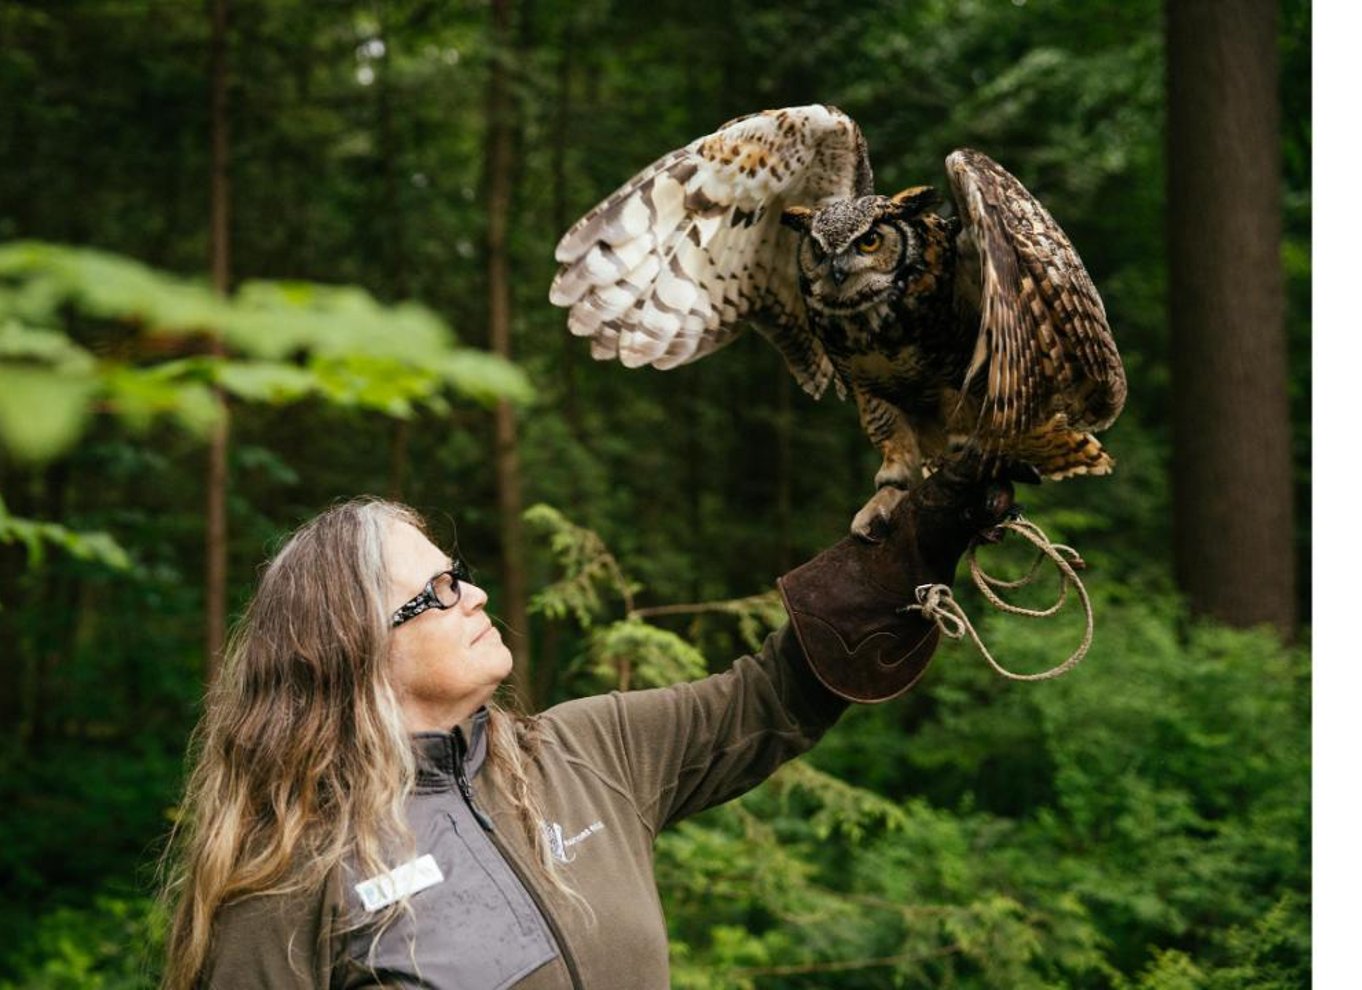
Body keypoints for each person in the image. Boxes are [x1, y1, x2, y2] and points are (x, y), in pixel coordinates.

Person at [158, 467, 1010, 989]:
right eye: (438, 592)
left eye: (463, 575)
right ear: (349, 648)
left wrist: (917, 543)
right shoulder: (289, 881)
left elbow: (775, 696)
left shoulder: (588, 752)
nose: (476, 595)